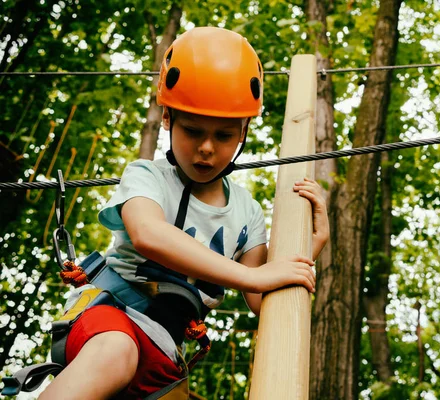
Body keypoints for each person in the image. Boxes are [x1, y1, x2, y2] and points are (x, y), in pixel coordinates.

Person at [39, 27, 330, 399]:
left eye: (224, 135)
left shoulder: (248, 213)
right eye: (193, 130)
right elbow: (148, 234)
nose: (207, 148)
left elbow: (262, 298)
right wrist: (248, 276)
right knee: (117, 353)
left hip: (163, 352)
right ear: (167, 118)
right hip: (110, 319)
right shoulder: (147, 176)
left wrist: (309, 247)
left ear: (243, 132)